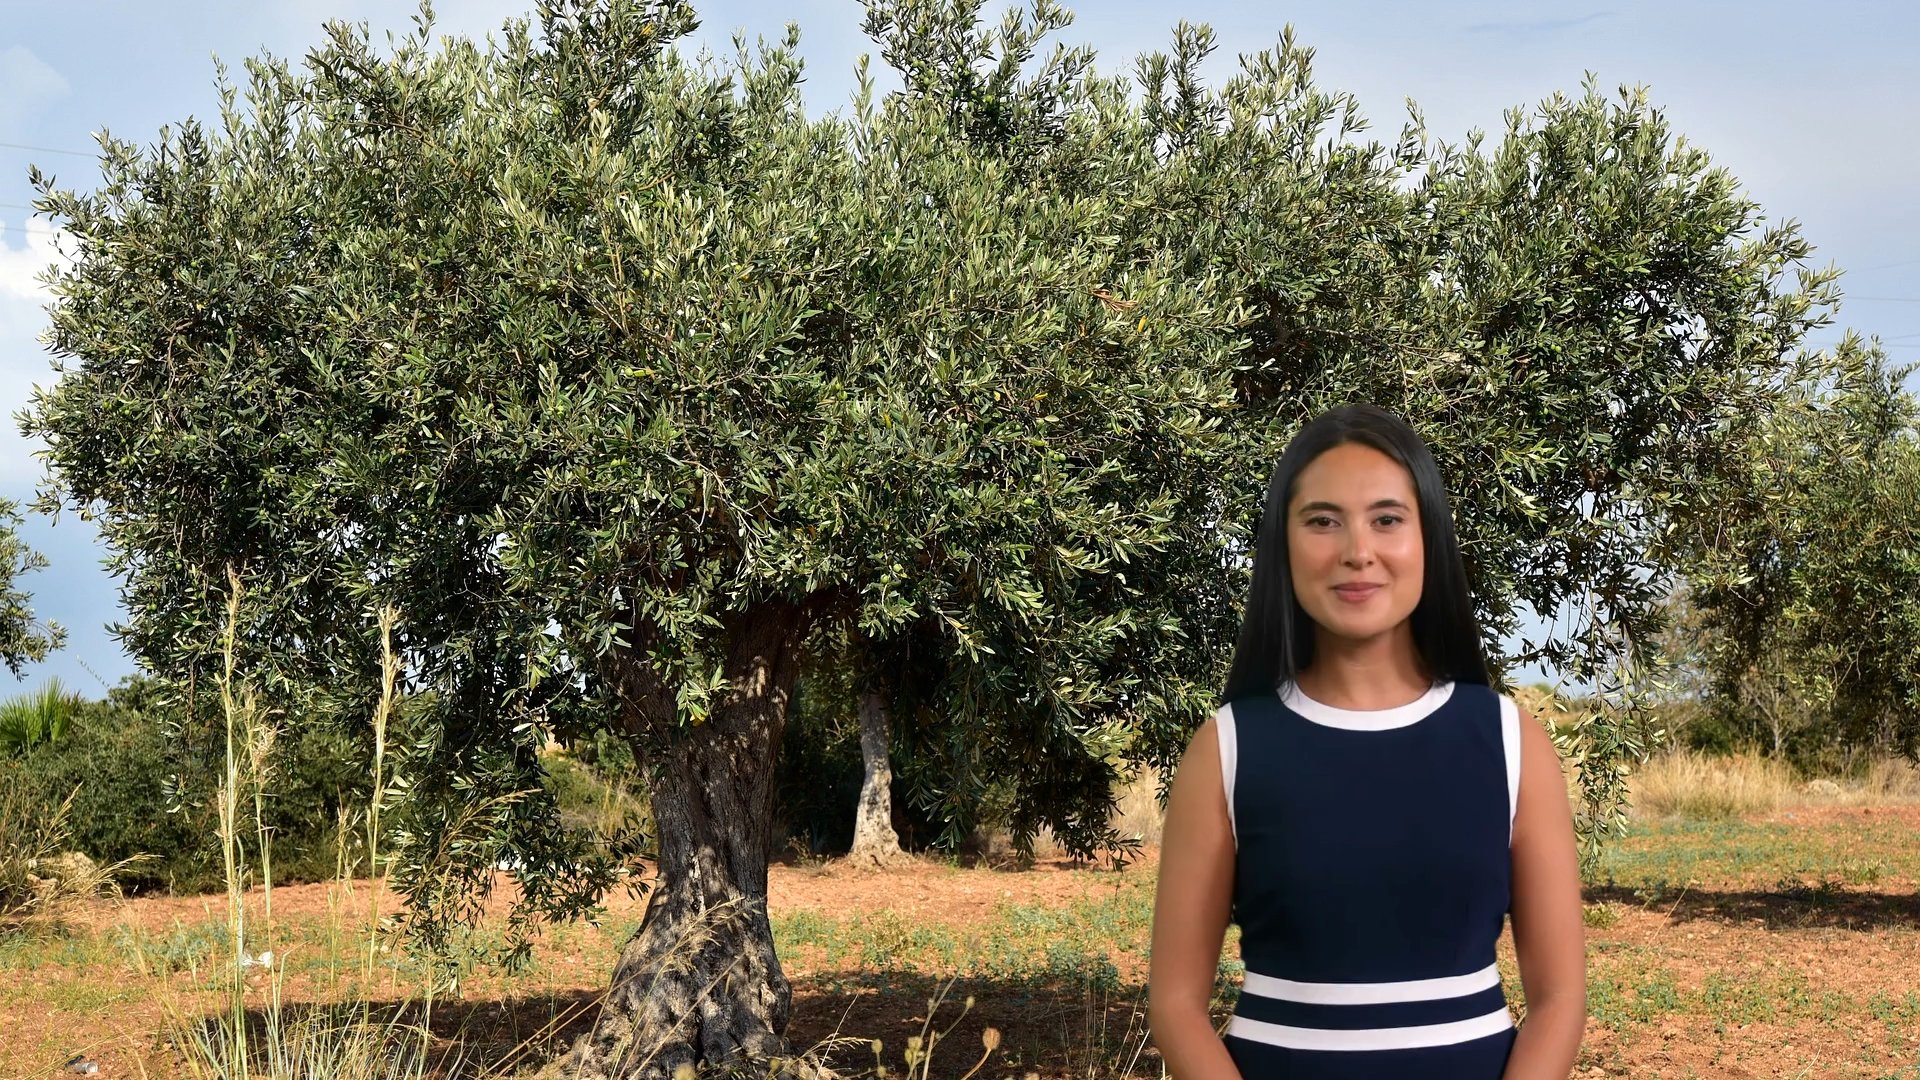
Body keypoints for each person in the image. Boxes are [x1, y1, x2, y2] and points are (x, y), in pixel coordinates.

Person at [1147, 404, 1586, 1079]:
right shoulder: (1227, 748)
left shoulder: (1508, 740)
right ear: (1283, 544)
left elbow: (1559, 1001)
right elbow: (1176, 1001)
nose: (1358, 550)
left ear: (1427, 538)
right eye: (1323, 521)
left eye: (1387, 519)